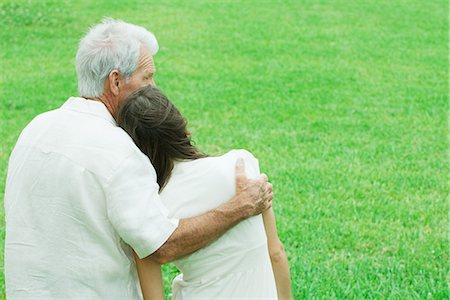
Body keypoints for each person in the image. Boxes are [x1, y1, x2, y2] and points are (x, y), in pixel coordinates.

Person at [3, 19, 273, 299]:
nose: (155, 88)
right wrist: (241, 205)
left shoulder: (35, 128)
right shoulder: (119, 150)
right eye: (147, 78)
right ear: (116, 81)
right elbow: (161, 245)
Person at [118, 85, 292, 299]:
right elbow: (276, 253)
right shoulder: (241, 166)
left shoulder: (153, 207)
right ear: (180, 124)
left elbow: (153, 296)